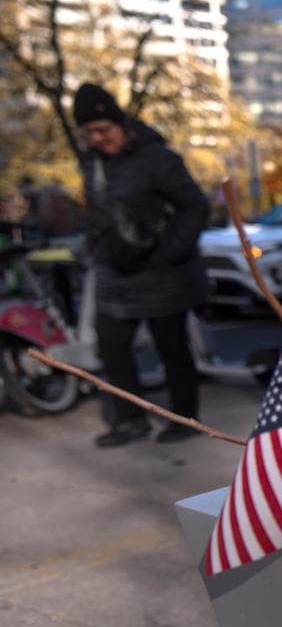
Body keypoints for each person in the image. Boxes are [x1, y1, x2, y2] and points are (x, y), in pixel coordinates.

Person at [75, 83, 211, 447]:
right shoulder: (94, 162)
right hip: (114, 270)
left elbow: (196, 206)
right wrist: (94, 244)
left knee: (172, 347)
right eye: (89, 133)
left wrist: (172, 251)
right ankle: (129, 419)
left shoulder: (156, 158)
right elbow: (98, 210)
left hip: (161, 272)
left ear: (121, 123)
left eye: (103, 129)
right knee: (112, 346)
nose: (98, 138)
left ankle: (185, 419)